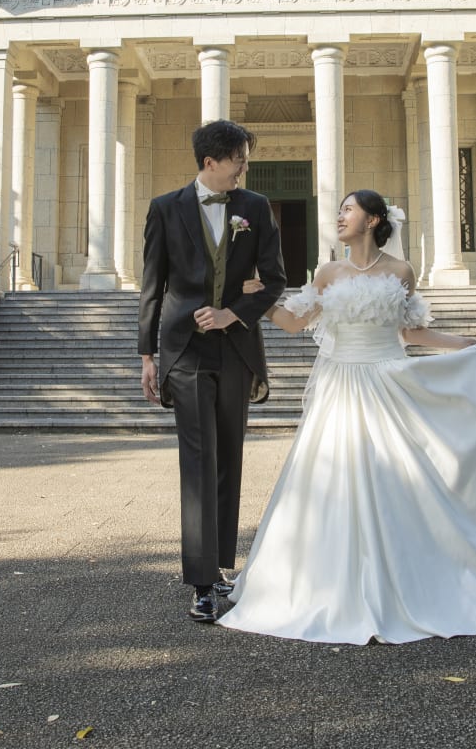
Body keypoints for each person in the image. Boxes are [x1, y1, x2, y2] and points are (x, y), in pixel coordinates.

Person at [218, 189, 476, 644]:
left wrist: (464, 343)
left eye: (348, 209)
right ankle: (326, 584)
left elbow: (411, 331)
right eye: (340, 210)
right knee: (333, 479)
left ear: (373, 220)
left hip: (388, 379)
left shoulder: (401, 271)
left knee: (398, 479)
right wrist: (257, 300)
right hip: (341, 384)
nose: (339, 215)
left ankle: (415, 578)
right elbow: (295, 322)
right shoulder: (328, 271)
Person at [138, 119, 287, 624]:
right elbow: (152, 287)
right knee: (198, 462)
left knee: (229, 460)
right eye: (239, 160)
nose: (245, 168)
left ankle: (221, 565)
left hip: (237, 349)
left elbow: (275, 281)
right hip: (184, 352)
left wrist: (233, 314)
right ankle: (201, 582)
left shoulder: (255, 208)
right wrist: (146, 355)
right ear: (211, 162)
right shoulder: (164, 209)